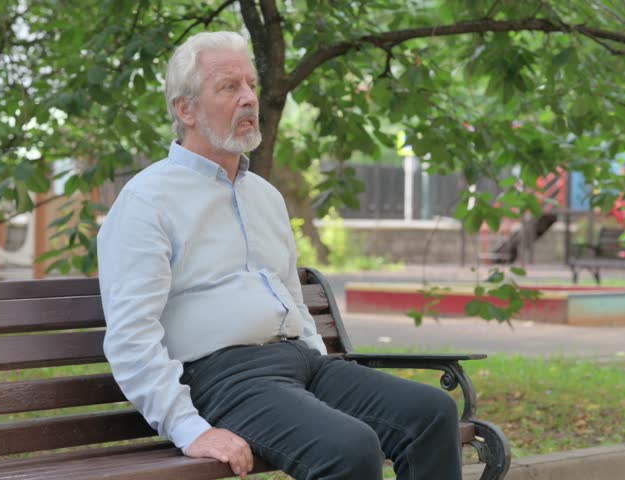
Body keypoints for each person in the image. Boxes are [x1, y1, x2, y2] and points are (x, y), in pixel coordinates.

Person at [97, 31, 462, 480]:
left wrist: (312, 355)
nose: (249, 98)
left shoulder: (264, 196)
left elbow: (288, 293)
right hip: (222, 379)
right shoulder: (146, 201)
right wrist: (188, 427)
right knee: (349, 447)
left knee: (431, 413)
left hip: (302, 364)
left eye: (250, 84)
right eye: (229, 87)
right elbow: (130, 337)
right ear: (185, 109)